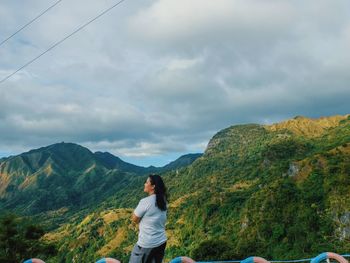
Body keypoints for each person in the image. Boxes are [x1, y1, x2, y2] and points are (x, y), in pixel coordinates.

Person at [129, 174, 168, 263]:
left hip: (147, 244)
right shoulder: (163, 200)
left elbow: (134, 219)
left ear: (153, 186)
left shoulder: (146, 201)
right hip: (161, 242)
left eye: (146, 182)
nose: (144, 184)